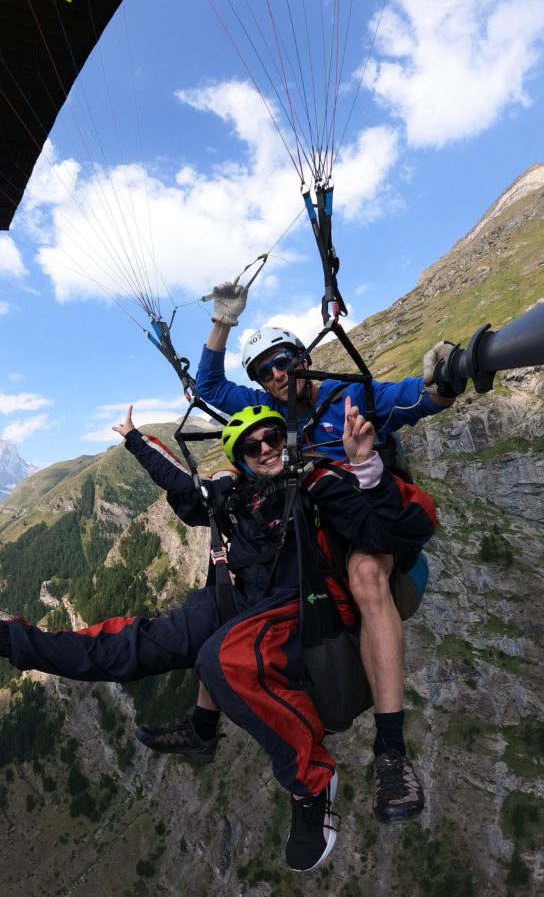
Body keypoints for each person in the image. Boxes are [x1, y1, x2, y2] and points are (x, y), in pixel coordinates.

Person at [0, 399, 435, 873]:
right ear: (239, 459)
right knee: (130, 646)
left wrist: (366, 465)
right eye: (252, 445)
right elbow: (178, 479)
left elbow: (408, 524)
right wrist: (134, 439)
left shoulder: (314, 484)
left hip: (305, 604)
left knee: (220, 660)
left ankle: (311, 784)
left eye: (272, 437)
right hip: (244, 603)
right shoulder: (231, 498)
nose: (266, 448)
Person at [137, 280, 457, 825]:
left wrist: (447, 377)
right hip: (304, 530)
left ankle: (392, 752)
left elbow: (422, 397)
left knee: (365, 579)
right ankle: (203, 726)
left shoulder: (353, 397)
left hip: (361, 525)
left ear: (304, 357)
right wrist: (222, 321)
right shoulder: (269, 410)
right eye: (265, 370)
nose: (278, 376)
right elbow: (210, 384)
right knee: (228, 595)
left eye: (283, 362)